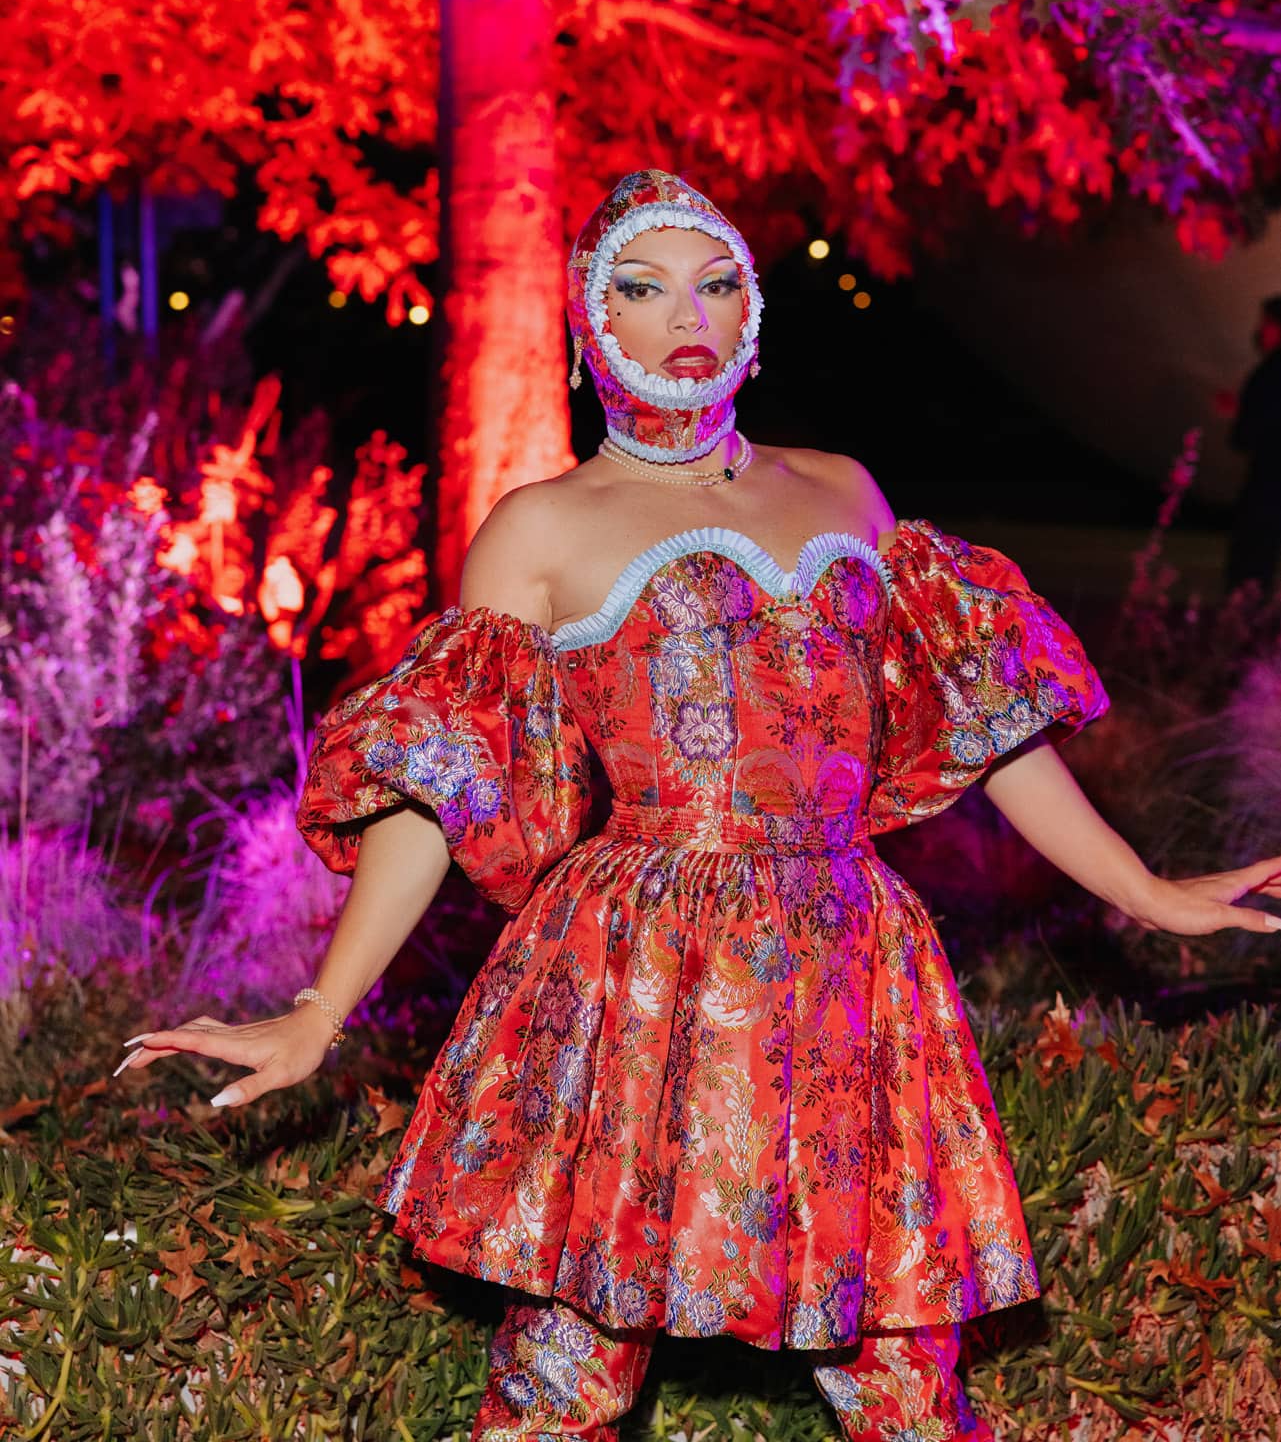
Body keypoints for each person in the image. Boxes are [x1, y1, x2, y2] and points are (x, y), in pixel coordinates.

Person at [117, 171, 1281, 1441]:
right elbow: (438, 777)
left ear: (754, 310)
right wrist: (318, 1013)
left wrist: (1144, 888)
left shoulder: (842, 493)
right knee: (570, 1362)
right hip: (639, 965)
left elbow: (980, 723)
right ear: (588, 322)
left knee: (904, 1364)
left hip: (849, 958)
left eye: (718, 283)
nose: (690, 314)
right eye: (644, 285)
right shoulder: (543, 527)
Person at [1220, 293, 1281, 594]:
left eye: (1266, 324)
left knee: (1250, 565)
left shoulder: (1270, 373)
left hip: (1268, 483)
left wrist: (1243, 413)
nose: (1261, 330)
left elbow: (1249, 434)